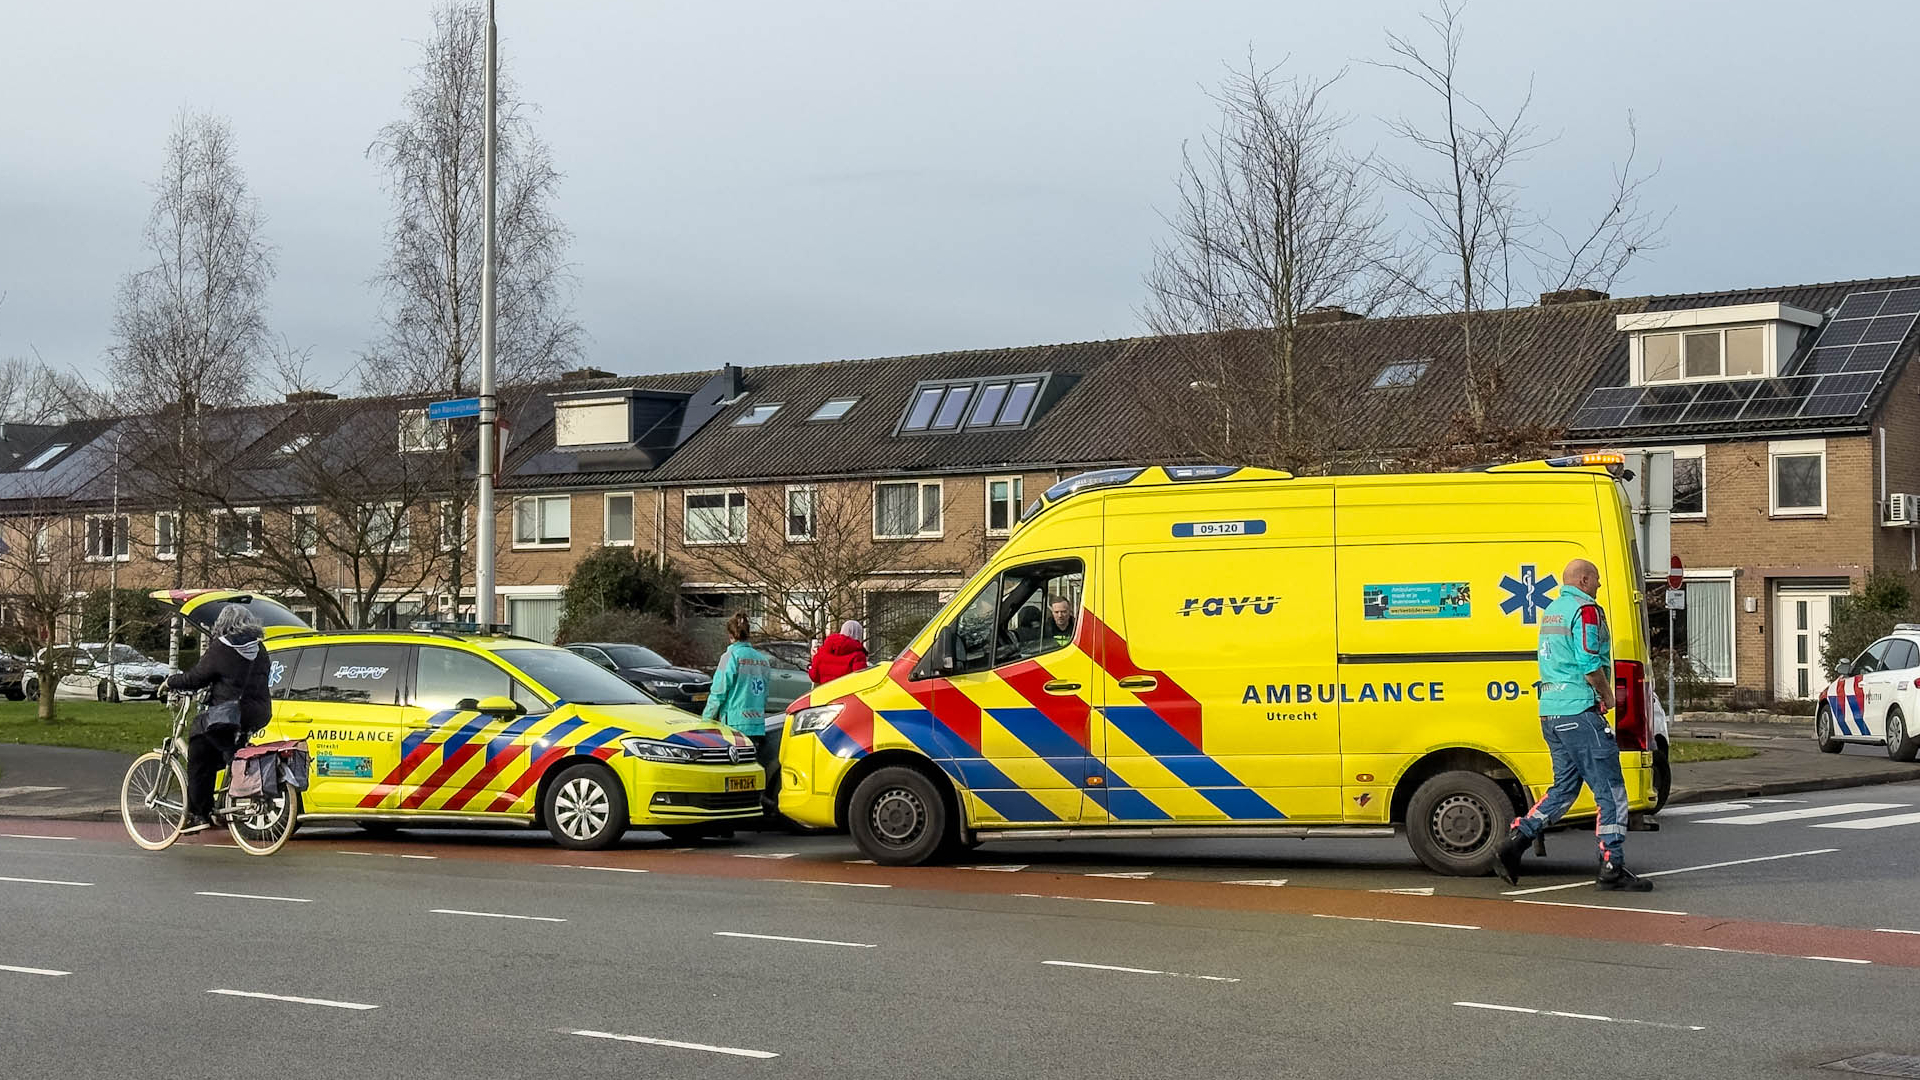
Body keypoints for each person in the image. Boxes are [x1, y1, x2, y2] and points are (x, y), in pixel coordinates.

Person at [1492, 558, 1651, 892]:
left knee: (1564, 788)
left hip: (1551, 713)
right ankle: (1611, 865)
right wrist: (1608, 697)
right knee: (1611, 791)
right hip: (1580, 712)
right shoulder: (1585, 610)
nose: (1599, 586)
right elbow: (1590, 663)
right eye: (1595, 580)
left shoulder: (1553, 611)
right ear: (1583, 579)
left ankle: (1516, 841)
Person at [163, 605, 272, 835]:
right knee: (216, 749)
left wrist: (171, 682)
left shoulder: (223, 648)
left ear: (223, 624)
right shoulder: (260, 649)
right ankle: (226, 770)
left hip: (229, 714)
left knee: (198, 746)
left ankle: (199, 814)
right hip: (258, 712)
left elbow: (196, 677)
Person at [703, 612, 776, 811]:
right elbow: (765, 693)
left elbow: (718, 692)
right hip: (757, 725)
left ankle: (732, 814)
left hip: (733, 726)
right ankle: (756, 806)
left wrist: (705, 721)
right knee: (751, 773)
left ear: (730, 635)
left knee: (731, 776)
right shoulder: (762, 660)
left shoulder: (730, 657)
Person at [808, 620, 869, 684]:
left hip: (826, 692)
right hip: (846, 692)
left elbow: (814, 677)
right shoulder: (858, 655)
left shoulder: (823, 651)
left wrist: (812, 662)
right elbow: (860, 680)